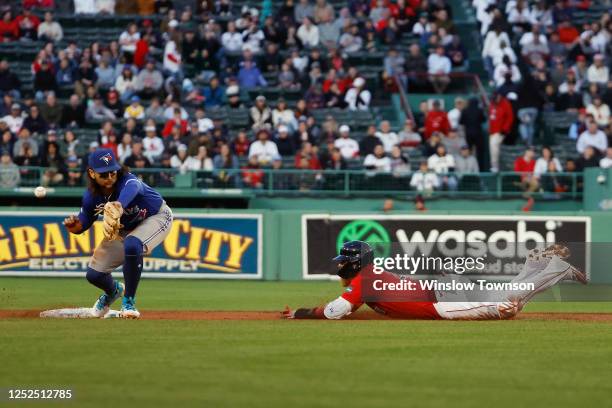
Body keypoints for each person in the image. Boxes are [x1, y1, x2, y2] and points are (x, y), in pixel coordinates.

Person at [282, 241, 586, 320]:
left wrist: (301, 313)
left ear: (355, 263)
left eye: (345, 261)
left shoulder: (363, 281)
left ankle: (555, 269)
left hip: (441, 301)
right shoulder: (370, 275)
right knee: (506, 295)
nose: (340, 266)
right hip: (442, 289)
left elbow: (337, 311)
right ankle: (537, 263)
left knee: (506, 307)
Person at [63, 148, 174, 319]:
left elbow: (134, 187)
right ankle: (114, 291)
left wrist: (119, 204)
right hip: (126, 228)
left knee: (132, 244)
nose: (109, 178)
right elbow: (83, 223)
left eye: (112, 173)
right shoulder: (91, 197)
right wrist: (75, 226)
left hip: (156, 216)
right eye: (103, 174)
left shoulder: (127, 180)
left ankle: (128, 302)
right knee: (94, 275)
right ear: (92, 173)